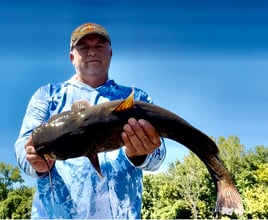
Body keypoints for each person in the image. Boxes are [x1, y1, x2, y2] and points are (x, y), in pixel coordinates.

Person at [14, 22, 166, 219]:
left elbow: (159, 156)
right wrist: (34, 161)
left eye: (99, 46)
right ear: (72, 57)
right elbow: (22, 147)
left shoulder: (136, 98)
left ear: (110, 53)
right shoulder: (47, 95)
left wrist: (143, 155)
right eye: (83, 47)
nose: (92, 52)